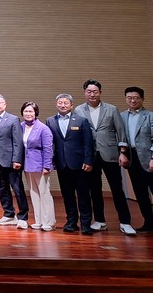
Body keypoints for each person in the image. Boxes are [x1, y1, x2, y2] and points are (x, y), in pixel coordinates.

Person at [74, 79, 136, 235]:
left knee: (117, 189)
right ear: (84, 93)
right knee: (94, 189)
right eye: (89, 91)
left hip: (110, 154)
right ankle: (100, 221)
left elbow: (120, 132)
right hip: (90, 156)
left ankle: (125, 222)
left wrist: (123, 152)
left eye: (95, 91)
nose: (92, 94)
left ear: (100, 92)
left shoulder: (111, 109)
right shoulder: (78, 110)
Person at [46, 93, 94, 235]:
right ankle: (71, 222)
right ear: (56, 104)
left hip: (79, 164)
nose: (63, 105)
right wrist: (51, 161)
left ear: (71, 105)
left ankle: (86, 224)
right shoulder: (50, 121)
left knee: (83, 195)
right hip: (61, 164)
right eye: (60, 103)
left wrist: (88, 160)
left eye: (66, 103)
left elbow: (88, 143)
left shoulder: (81, 120)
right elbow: (50, 143)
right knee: (67, 195)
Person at [0, 92, 28, 229]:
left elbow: (18, 142)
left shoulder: (13, 119)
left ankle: (23, 217)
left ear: (4, 104)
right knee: (2, 188)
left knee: (17, 189)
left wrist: (17, 160)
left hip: (11, 161)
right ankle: (9, 214)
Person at [120, 86, 153, 233]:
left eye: (136, 98)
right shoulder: (121, 116)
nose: (132, 100)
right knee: (140, 193)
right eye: (129, 98)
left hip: (149, 158)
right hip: (132, 159)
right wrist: (122, 153)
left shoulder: (150, 115)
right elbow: (120, 137)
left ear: (142, 99)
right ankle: (149, 222)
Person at [20, 101, 55, 231]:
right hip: (27, 165)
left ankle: (49, 222)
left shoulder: (43, 128)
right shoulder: (21, 126)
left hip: (40, 165)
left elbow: (48, 149)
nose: (28, 113)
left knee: (44, 193)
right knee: (33, 193)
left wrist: (47, 166)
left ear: (36, 113)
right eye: (26, 111)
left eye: (31, 111)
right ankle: (39, 220)